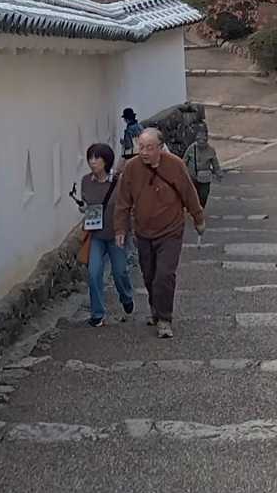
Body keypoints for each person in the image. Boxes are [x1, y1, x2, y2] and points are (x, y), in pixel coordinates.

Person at [114, 127, 206, 338]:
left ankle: (164, 319)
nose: (144, 152)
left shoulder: (175, 165)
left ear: (160, 147)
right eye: (141, 147)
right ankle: (156, 309)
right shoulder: (132, 168)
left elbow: (189, 193)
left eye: (149, 148)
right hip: (143, 231)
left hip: (170, 230)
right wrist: (120, 228)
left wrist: (198, 218)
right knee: (149, 275)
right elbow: (123, 201)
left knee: (164, 274)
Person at [70, 143, 134, 327]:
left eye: (96, 158)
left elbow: (126, 205)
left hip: (116, 234)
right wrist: (83, 207)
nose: (92, 162)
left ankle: (126, 296)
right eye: (90, 158)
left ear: (106, 160)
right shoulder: (86, 181)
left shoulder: (118, 182)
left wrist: (124, 230)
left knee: (120, 272)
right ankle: (97, 313)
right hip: (96, 235)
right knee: (94, 273)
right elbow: (88, 205)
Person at [183, 123, 222, 206]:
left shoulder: (211, 150)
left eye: (203, 141)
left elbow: (215, 163)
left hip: (205, 178)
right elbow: (184, 161)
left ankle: (200, 208)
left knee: (203, 196)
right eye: (199, 141)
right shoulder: (191, 148)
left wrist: (218, 173)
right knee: (192, 196)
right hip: (192, 177)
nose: (201, 143)